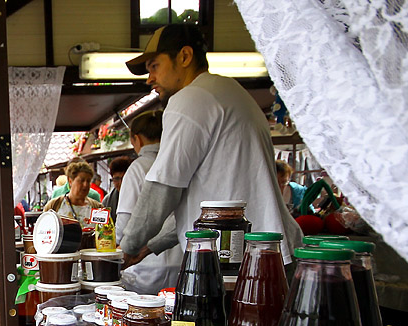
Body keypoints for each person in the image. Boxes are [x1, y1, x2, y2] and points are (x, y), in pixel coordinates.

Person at [120, 24, 302, 267]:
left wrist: (127, 246)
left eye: (155, 66)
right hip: (266, 249)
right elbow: (202, 202)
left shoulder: (191, 99)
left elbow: (164, 187)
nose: (150, 78)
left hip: (240, 257)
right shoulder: (229, 91)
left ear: (184, 56)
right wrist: (150, 246)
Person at [116, 110, 184, 294]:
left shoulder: (137, 168)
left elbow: (124, 220)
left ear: (136, 139)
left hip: (144, 267)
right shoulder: (178, 164)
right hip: (180, 262)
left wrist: (117, 248)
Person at [43, 160, 102, 225]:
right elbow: (44, 230)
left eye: (88, 181)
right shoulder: (54, 205)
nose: (85, 185)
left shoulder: (97, 208)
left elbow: (105, 233)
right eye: (81, 180)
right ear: (70, 181)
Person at [102, 155, 131, 221]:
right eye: (116, 179)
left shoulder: (139, 197)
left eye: (124, 178)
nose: (121, 183)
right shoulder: (107, 201)